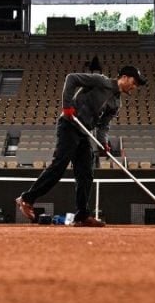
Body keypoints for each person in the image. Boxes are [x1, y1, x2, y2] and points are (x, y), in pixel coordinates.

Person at [15, 65, 147, 227]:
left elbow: (104, 124)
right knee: (59, 165)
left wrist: (103, 141)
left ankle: (82, 216)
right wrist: (67, 105)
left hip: (84, 133)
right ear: (125, 77)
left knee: (85, 172)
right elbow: (72, 78)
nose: (135, 87)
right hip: (69, 124)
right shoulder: (101, 81)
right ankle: (26, 199)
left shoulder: (116, 103)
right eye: (134, 82)